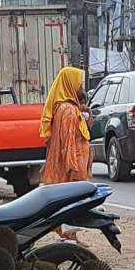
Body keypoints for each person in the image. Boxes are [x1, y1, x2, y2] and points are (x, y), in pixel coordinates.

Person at [39, 66, 92, 238]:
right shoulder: (68, 111)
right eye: (79, 83)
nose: (81, 87)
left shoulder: (69, 108)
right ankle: (68, 238)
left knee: (70, 205)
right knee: (70, 204)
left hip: (74, 166)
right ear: (70, 84)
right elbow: (68, 143)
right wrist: (73, 168)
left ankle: (71, 237)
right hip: (71, 169)